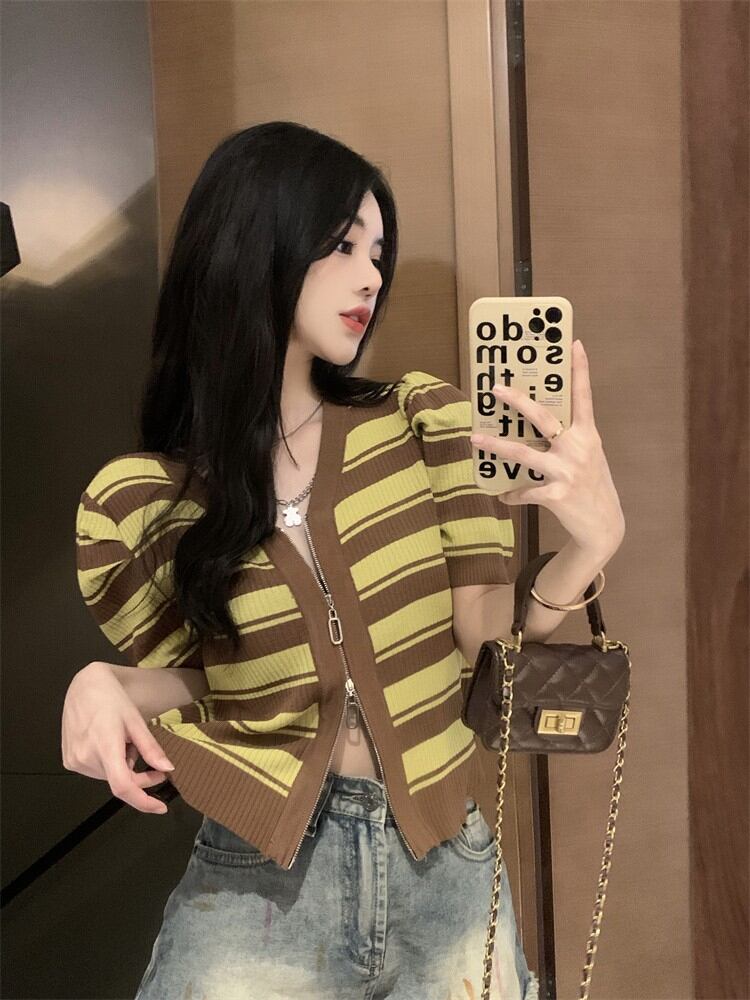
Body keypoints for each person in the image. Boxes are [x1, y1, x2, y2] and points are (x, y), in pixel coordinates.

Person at [64, 121, 625, 999]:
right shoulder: (148, 503)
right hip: (260, 886)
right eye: (342, 245)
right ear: (256, 241)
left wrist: (590, 544)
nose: (370, 276)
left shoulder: (420, 429)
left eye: (379, 253)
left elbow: (489, 643)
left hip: (445, 870)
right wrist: (103, 684)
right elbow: (217, 687)